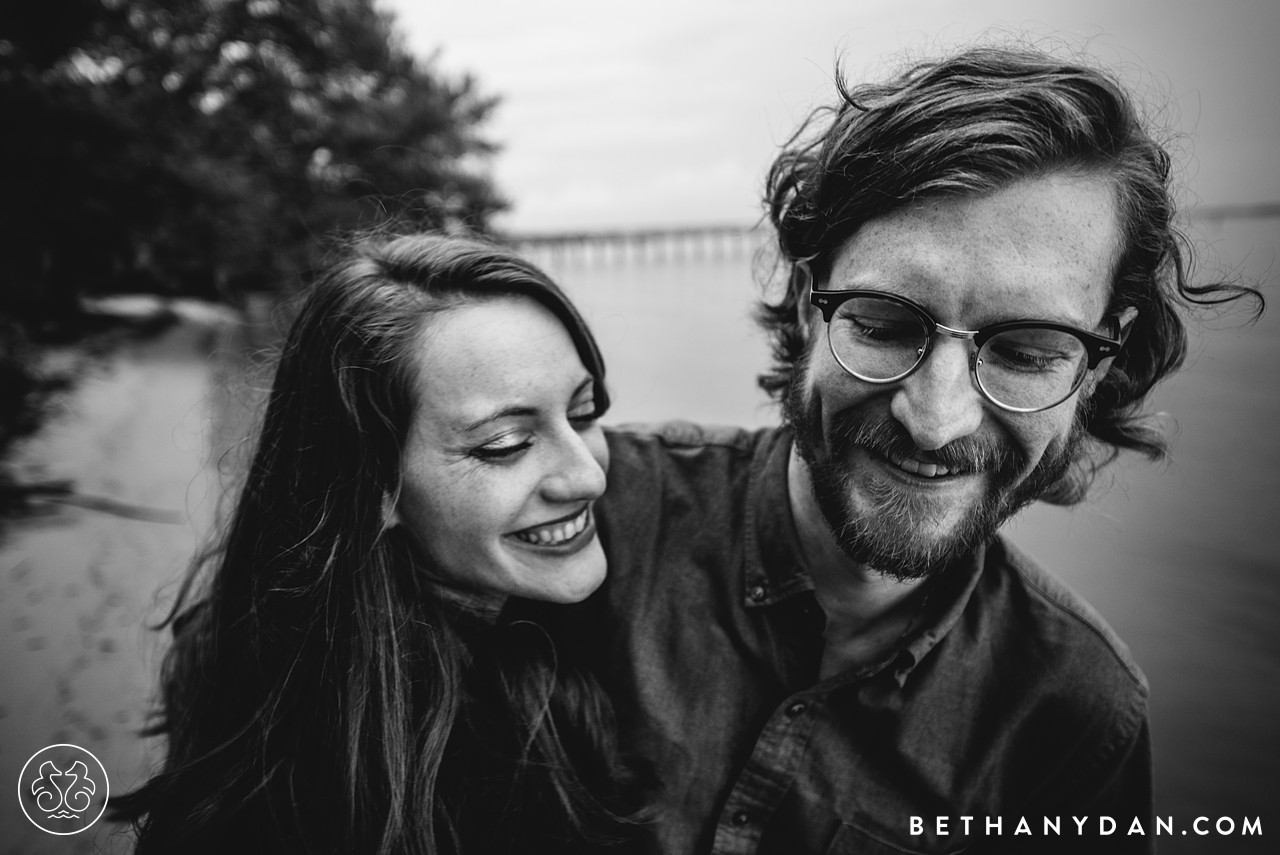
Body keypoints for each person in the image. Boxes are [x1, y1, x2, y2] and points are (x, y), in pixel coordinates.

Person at [581, 45, 1262, 854]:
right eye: (882, 324)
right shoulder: (590, 516)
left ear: (1099, 364)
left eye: (1026, 350)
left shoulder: (1075, 715)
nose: (936, 419)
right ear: (807, 306)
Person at [111, 233, 643, 853]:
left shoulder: (249, 635)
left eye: (583, 413)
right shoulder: (338, 773)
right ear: (372, 488)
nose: (589, 476)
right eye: (505, 445)